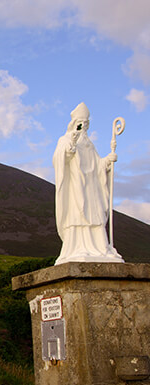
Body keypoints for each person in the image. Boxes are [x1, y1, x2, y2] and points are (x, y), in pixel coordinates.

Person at [53, 102, 124, 265]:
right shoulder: (65, 140)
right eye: (80, 123)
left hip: (91, 190)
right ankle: (77, 248)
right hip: (76, 189)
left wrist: (107, 161)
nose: (83, 126)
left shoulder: (89, 144)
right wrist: (69, 147)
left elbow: (96, 165)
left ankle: (100, 248)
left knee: (95, 215)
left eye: (86, 123)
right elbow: (58, 159)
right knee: (77, 215)